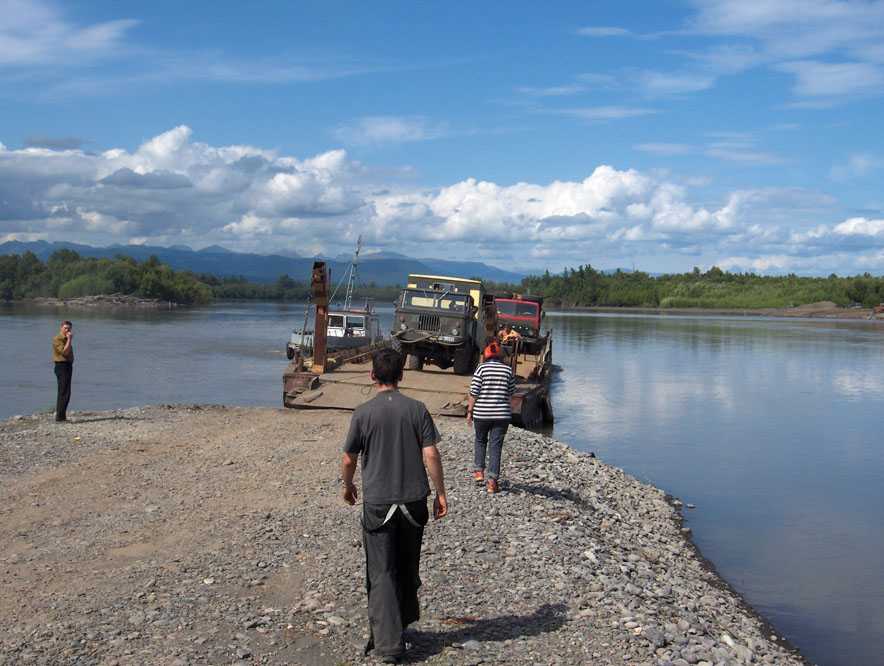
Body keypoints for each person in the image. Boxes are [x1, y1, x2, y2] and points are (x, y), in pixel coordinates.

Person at [341, 348, 448, 664]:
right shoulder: (418, 410)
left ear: (372, 375)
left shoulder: (363, 413)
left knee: (382, 570)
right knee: (406, 564)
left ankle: (388, 644)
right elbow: (431, 454)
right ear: (401, 375)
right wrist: (440, 492)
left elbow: (349, 458)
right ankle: (400, 623)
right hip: (413, 500)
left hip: (378, 502)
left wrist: (348, 486)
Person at [467, 340, 516, 494]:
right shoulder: (508, 370)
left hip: (482, 414)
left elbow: (474, 392)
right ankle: (492, 483)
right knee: (496, 447)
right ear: (500, 356)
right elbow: (511, 393)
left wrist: (469, 412)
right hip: (501, 415)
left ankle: (479, 472)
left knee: (480, 440)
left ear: (486, 356)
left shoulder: (481, 369)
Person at [52, 320, 74, 422]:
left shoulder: (66, 339)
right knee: (63, 392)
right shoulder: (58, 339)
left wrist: (68, 340)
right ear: (61, 328)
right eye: (65, 328)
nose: (67, 330)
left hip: (68, 366)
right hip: (61, 366)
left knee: (67, 392)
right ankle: (59, 418)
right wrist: (69, 339)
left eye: (69, 328)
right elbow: (64, 352)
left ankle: (62, 416)